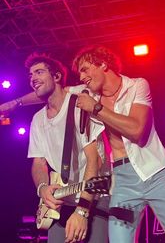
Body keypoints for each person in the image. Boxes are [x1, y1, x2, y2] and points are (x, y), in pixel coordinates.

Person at [0, 45, 165, 242]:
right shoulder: (88, 92)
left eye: (85, 69)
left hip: (157, 175)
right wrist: (13, 104)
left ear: (103, 64)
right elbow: (51, 92)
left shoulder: (137, 86)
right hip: (122, 182)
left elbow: (137, 131)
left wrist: (96, 108)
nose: (82, 76)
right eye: (79, 72)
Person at [24, 53, 108, 243]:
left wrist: (82, 210)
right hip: (61, 203)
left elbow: (94, 160)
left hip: (93, 198)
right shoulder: (37, 119)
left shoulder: (79, 104)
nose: (33, 79)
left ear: (57, 77)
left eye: (39, 72)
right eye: (30, 75)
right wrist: (42, 188)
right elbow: (38, 162)